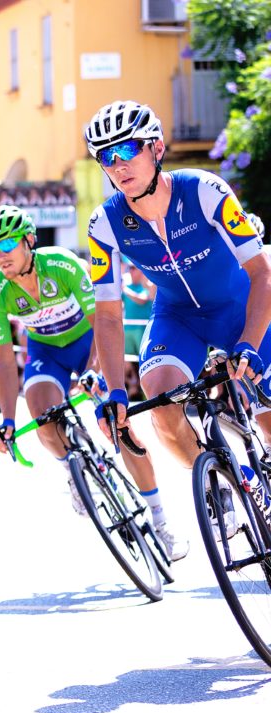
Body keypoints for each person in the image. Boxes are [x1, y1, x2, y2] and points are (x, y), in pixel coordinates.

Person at [0, 205, 184, 559]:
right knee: (41, 416)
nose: (0, 256)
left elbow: (102, 320)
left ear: (29, 240)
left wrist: (96, 369)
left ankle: (160, 519)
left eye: (7, 244)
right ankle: (73, 473)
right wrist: (8, 421)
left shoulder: (62, 264)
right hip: (47, 352)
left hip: (88, 342)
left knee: (121, 429)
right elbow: (4, 361)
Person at [85, 100, 271, 474]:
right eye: (106, 156)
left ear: (156, 148)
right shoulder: (103, 224)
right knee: (162, 405)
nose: (119, 164)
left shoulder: (204, 190)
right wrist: (115, 392)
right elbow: (107, 315)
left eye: (128, 148)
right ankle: (226, 482)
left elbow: (262, 274)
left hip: (239, 308)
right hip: (178, 317)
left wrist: (249, 342)